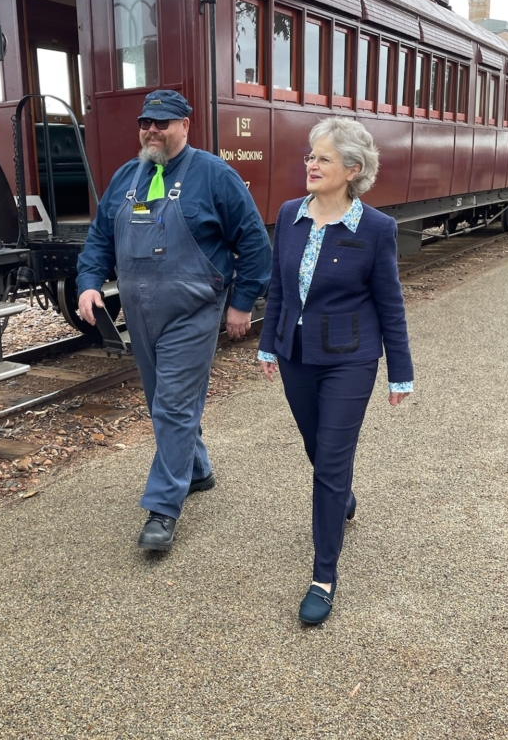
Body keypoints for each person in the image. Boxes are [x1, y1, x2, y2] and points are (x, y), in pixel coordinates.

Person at [77, 89, 272, 551]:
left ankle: (164, 508)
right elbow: (100, 238)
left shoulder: (214, 176)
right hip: (141, 313)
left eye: (163, 123)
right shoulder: (127, 177)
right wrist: (88, 281)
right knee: (161, 401)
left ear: (186, 125)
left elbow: (256, 244)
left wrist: (242, 303)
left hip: (193, 311)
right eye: (147, 122)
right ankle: (197, 469)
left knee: (173, 406)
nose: (152, 130)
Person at [257, 117, 413, 625]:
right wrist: (267, 345)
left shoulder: (375, 229)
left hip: (350, 359)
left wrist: (399, 371)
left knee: (329, 461)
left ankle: (324, 576)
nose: (311, 164)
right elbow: (279, 289)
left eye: (322, 158)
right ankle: (342, 493)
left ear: (352, 169)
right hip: (295, 355)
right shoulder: (289, 215)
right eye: (310, 156)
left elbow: (391, 304)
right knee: (316, 449)